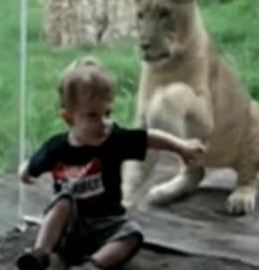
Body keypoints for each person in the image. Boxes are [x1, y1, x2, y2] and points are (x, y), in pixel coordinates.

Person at [16, 56, 206, 270]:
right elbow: (32, 167)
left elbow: (148, 138)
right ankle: (40, 254)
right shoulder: (56, 147)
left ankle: (93, 265)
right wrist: (26, 171)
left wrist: (181, 146)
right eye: (92, 116)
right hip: (69, 229)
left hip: (107, 225)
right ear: (69, 119)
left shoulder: (113, 139)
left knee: (133, 233)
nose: (103, 123)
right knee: (63, 200)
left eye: (107, 113)